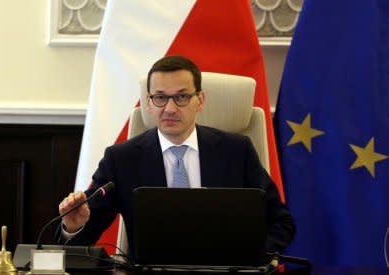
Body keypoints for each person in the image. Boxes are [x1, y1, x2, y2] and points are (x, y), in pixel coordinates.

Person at [57, 55, 295, 254]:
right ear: (148, 103)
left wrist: (247, 258)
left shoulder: (236, 151)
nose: (169, 109)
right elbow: (83, 234)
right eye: (160, 97)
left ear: (199, 100)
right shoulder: (121, 159)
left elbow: (280, 223)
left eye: (181, 97)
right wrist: (73, 226)